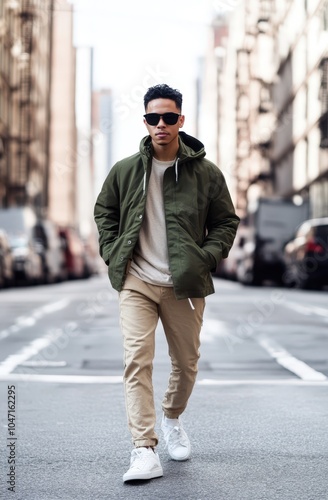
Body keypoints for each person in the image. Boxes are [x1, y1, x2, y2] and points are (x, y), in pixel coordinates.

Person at [94, 83, 239, 482]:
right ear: (145, 121)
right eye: (154, 118)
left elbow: (226, 222)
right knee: (136, 362)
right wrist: (112, 251)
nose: (161, 124)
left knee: (186, 364)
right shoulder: (124, 170)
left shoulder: (206, 173)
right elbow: (104, 212)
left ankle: (172, 417)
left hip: (184, 284)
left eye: (169, 117)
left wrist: (205, 257)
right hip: (137, 281)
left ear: (180, 120)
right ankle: (143, 448)